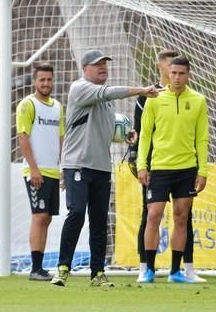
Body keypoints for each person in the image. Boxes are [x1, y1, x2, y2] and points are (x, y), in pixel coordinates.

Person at [51, 49, 158, 287]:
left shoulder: (107, 106)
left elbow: (106, 131)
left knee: (99, 221)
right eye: (97, 64)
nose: (103, 68)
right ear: (85, 69)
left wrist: (125, 135)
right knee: (77, 212)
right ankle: (62, 267)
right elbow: (109, 93)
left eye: (105, 64)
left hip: (101, 168)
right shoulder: (79, 88)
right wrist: (141, 90)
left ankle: (97, 273)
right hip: (76, 163)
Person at [128, 49, 206, 283]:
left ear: (188, 75)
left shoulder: (199, 101)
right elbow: (145, 136)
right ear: (167, 73)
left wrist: (203, 170)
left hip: (187, 168)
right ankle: (148, 269)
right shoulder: (154, 99)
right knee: (154, 215)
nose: (177, 77)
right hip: (160, 167)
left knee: (182, 217)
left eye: (182, 73)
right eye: (173, 73)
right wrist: (142, 164)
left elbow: (202, 139)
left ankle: (175, 272)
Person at [16, 63, 65, 281]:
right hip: (36, 171)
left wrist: (62, 166)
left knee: (47, 219)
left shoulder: (57, 106)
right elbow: (23, 137)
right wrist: (34, 168)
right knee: (39, 216)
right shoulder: (28, 105)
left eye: (49, 79)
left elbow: (61, 138)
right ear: (35, 81)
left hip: (54, 171)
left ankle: (40, 266)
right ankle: (35, 268)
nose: (46, 84)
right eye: (42, 80)